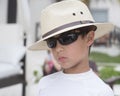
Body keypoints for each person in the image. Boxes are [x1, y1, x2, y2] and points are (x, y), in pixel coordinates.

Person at [29, 0, 114, 96]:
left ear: (89, 38)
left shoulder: (101, 92)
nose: (58, 49)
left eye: (66, 38)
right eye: (51, 43)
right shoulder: (45, 84)